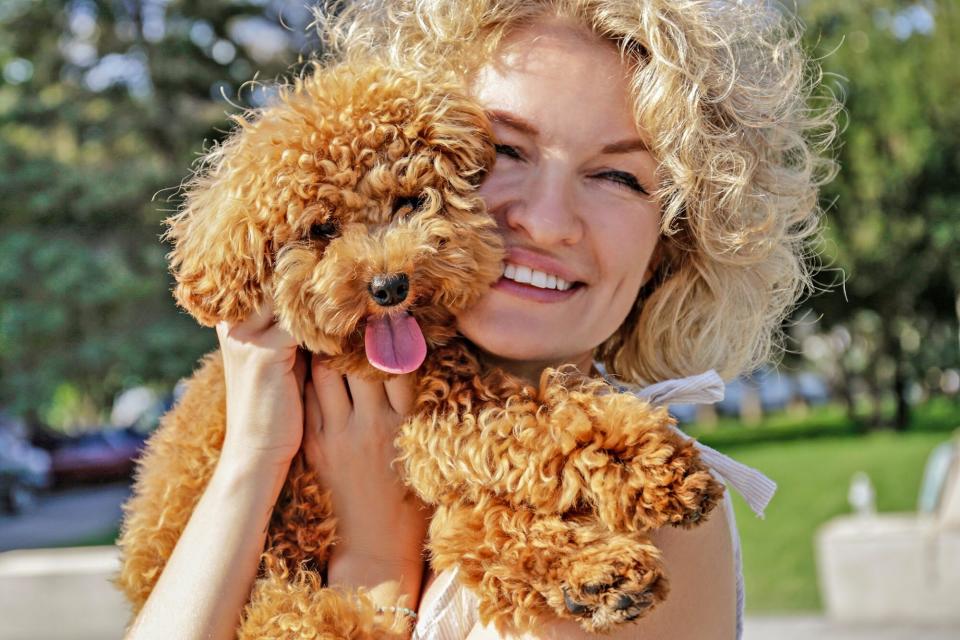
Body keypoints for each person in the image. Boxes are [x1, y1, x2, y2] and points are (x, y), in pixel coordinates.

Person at [127, 1, 836, 638]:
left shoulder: (642, 526)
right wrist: (252, 459)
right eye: (504, 152)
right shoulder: (276, 419)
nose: (548, 221)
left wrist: (373, 563)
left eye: (618, 175)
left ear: (674, 238)